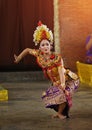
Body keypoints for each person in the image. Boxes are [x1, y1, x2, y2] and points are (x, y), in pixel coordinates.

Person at [14, 21, 79, 119]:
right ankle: (60, 113)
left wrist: (62, 84)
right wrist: (18, 58)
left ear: (50, 46)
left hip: (68, 79)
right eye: (43, 45)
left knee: (62, 94)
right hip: (56, 81)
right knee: (50, 96)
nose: (45, 47)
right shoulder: (39, 54)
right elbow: (27, 50)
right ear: (39, 47)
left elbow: (61, 71)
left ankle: (61, 114)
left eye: (47, 44)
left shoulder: (56, 58)